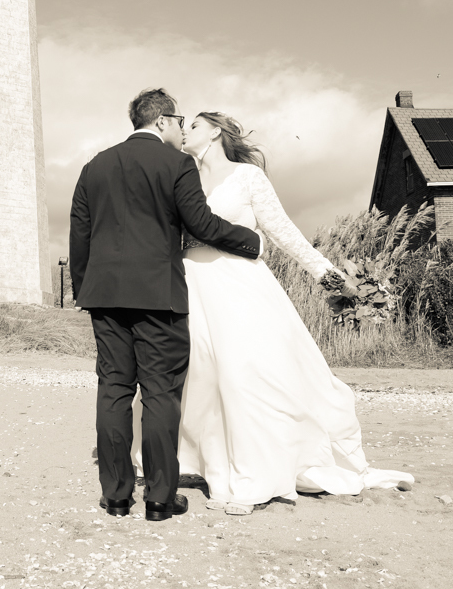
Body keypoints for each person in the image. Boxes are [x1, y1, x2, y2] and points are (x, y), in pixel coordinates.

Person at [174, 111, 414, 515]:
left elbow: (282, 230)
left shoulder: (247, 177)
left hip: (238, 285)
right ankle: (212, 464)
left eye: (194, 125)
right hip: (193, 284)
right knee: (202, 376)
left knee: (243, 374)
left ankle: (254, 477)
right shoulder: (184, 179)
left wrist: (327, 273)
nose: (185, 131)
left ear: (215, 131)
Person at [69, 89, 262, 522]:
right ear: (160, 121)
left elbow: (79, 235)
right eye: (178, 120)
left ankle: (116, 496)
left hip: (105, 297)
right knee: (160, 394)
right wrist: (249, 241)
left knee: (113, 390)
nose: (180, 128)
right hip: (159, 297)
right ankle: (159, 497)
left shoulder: (94, 166)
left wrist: (86, 289)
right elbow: (201, 223)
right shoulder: (176, 165)